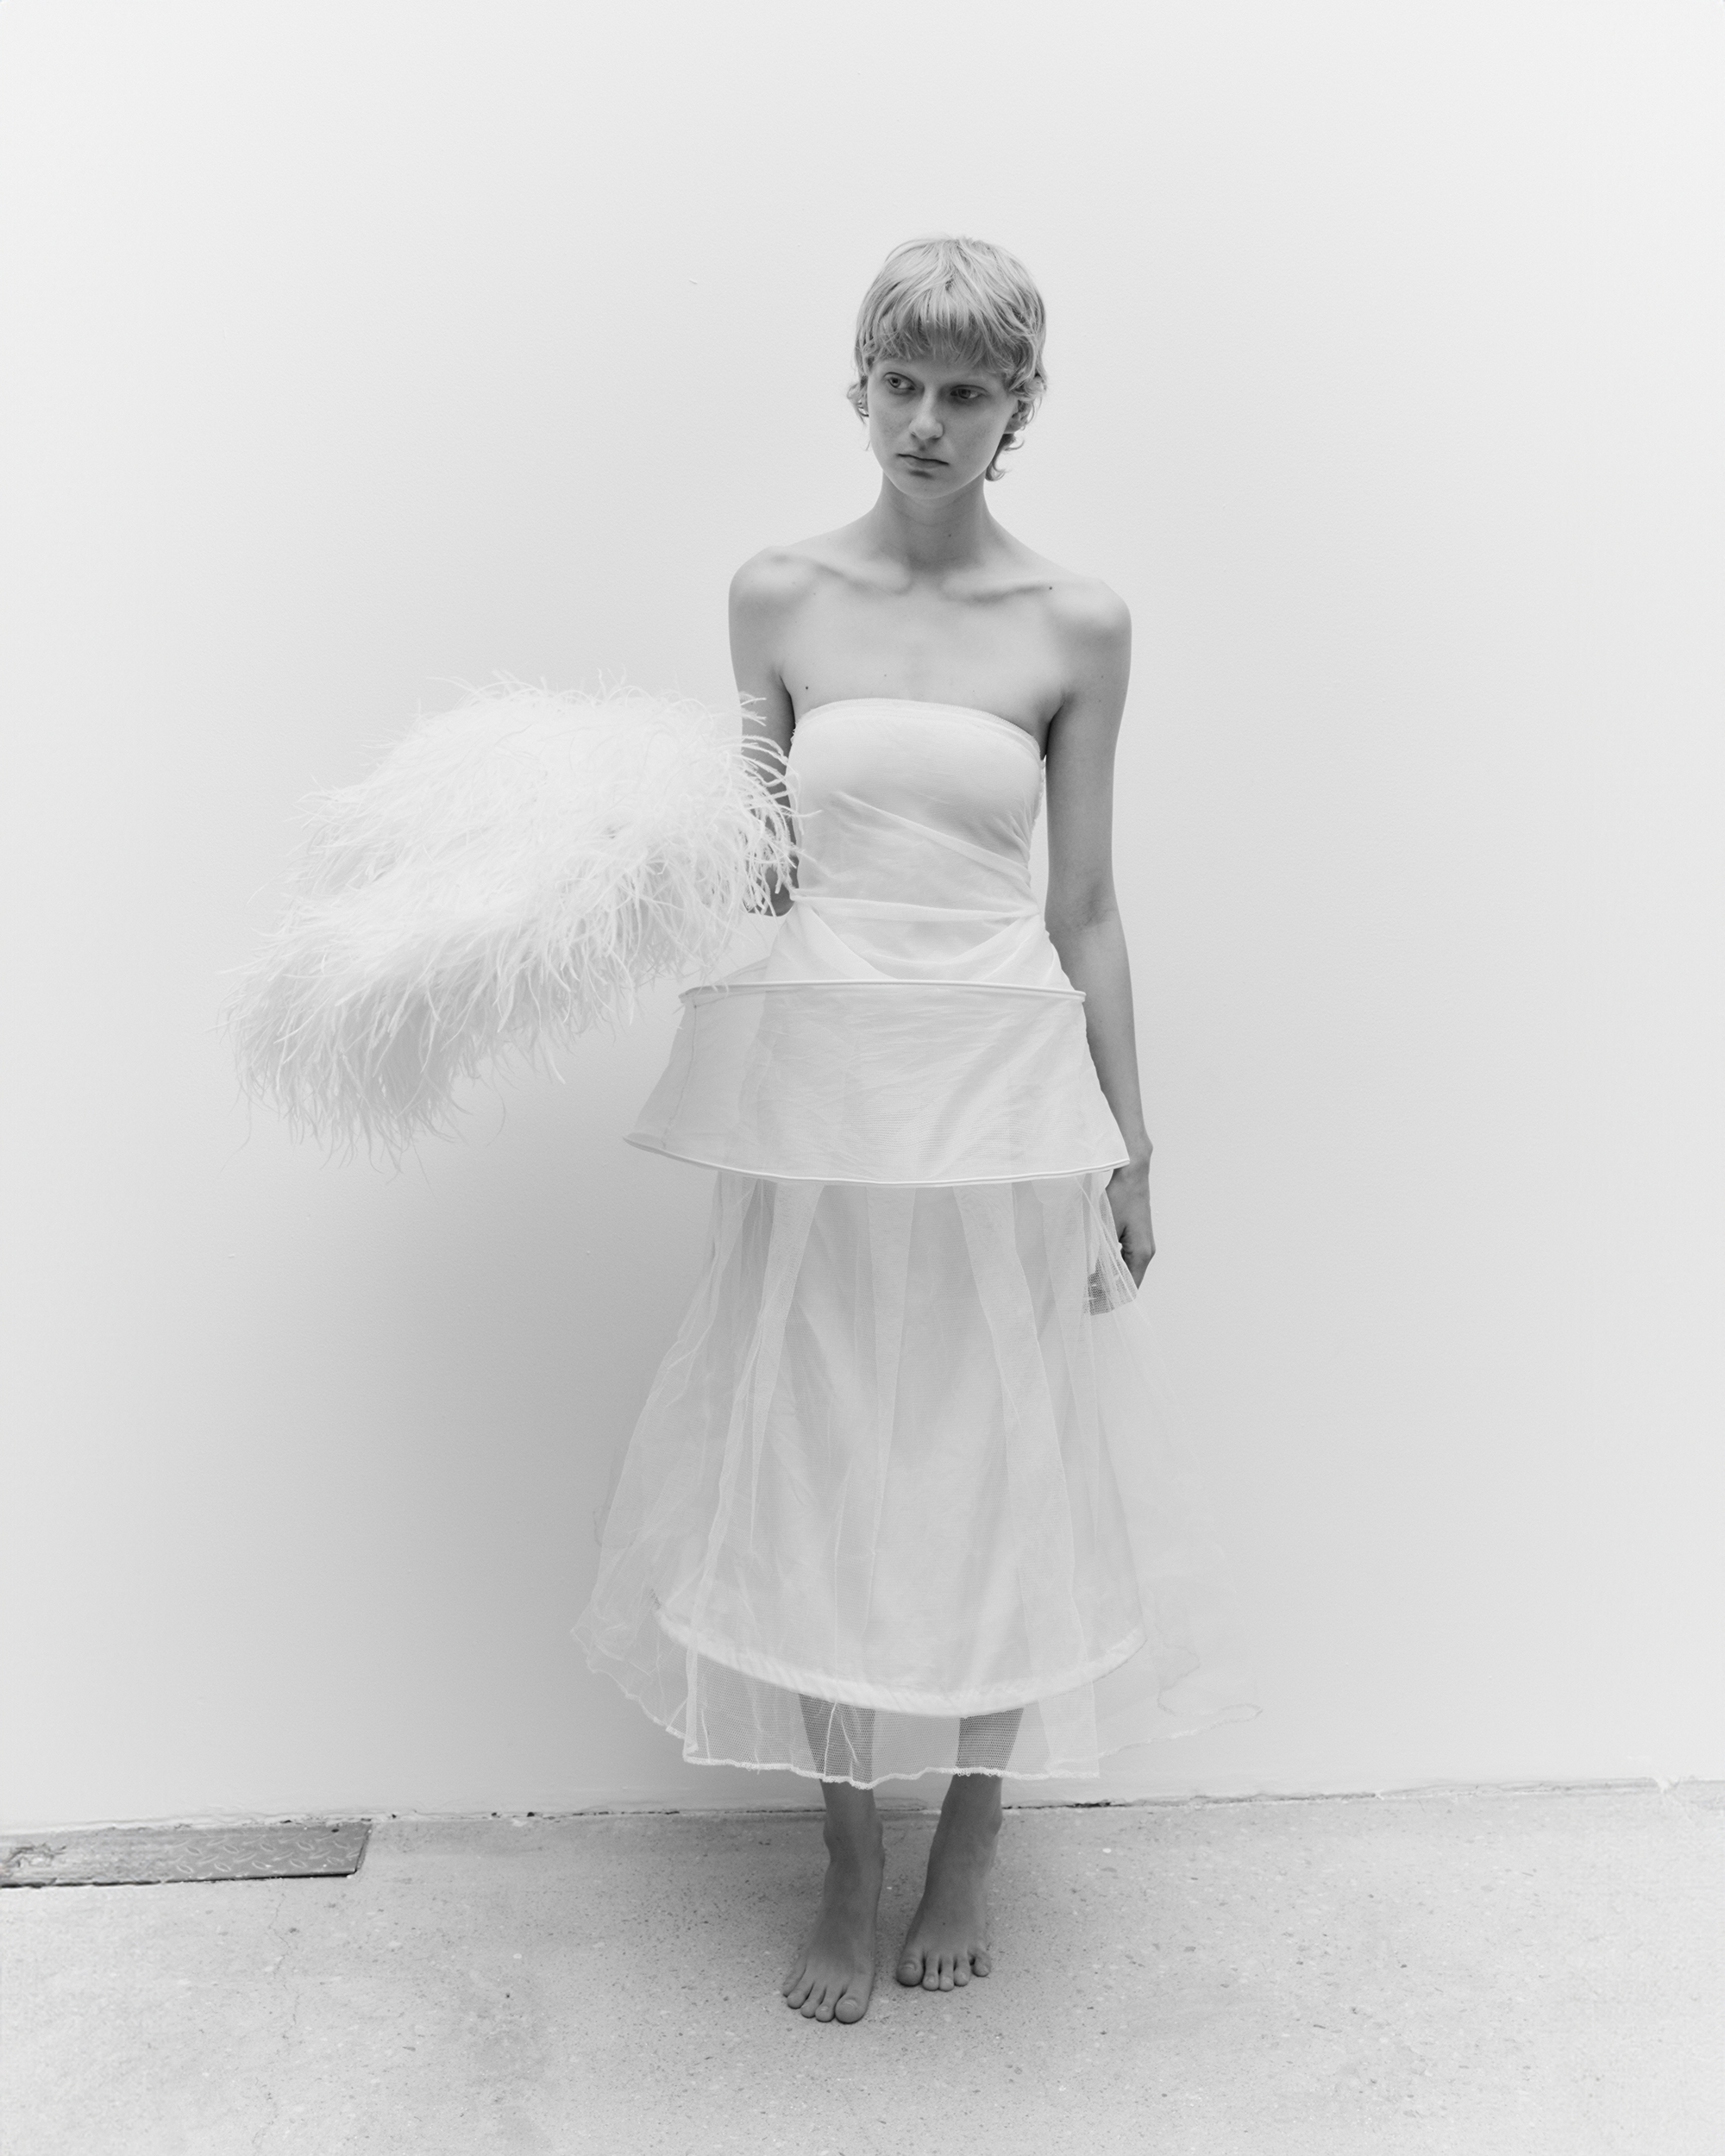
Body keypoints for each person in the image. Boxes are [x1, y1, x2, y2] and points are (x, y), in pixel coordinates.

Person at [575, 235, 1251, 2024]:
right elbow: (757, 860)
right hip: (824, 1079)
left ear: (1019, 406)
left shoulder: (1076, 622)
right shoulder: (777, 593)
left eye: (967, 391)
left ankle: (970, 1828)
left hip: (999, 1082)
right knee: (809, 1445)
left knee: (997, 1451)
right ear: (859, 384)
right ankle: (846, 1850)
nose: (928, 421)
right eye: (902, 383)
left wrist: (1133, 1144)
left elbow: (1085, 902)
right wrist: (644, 842)